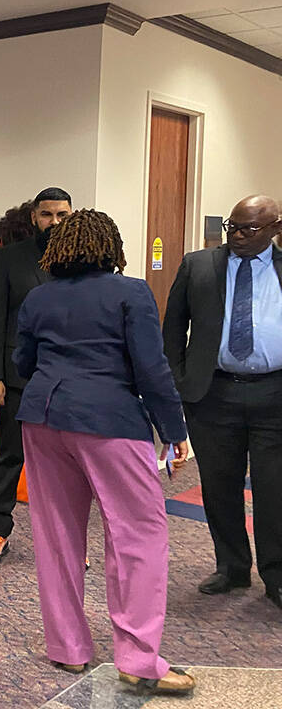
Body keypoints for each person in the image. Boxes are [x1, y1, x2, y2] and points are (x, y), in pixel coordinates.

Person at [14, 209, 195, 695]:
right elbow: (152, 370)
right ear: (111, 248)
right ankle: (138, 659)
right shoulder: (130, 291)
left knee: (56, 535)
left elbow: (22, 362)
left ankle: (68, 648)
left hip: (43, 418)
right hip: (110, 421)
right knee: (138, 534)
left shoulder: (38, 296)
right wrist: (174, 430)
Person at [163, 194, 282, 609]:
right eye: (233, 227)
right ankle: (231, 568)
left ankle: (277, 575)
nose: (238, 236)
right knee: (219, 485)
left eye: (249, 229)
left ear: (274, 229)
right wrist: (179, 381)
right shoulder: (198, 265)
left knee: (274, 489)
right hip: (214, 393)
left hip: (275, 393)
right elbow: (173, 327)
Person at [0, 186, 72, 565]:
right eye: (47, 215)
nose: (54, 222)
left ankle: (65, 538)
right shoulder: (10, 259)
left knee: (65, 461)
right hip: (18, 376)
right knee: (10, 456)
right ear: (35, 217)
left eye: (62, 215)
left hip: (68, 377)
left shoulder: (83, 260)